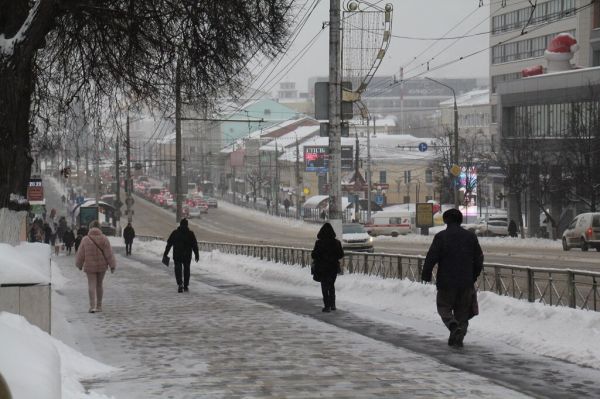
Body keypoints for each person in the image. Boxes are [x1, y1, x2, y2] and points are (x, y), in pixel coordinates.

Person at [422, 209, 484, 348]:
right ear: (461, 220)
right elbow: (479, 259)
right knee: (462, 312)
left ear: (445, 220)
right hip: (466, 282)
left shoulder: (441, 237)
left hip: (446, 282)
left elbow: (431, 257)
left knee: (444, 307)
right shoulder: (470, 237)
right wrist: (473, 275)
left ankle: (452, 324)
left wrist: (426, 273)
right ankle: (458, 338)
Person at [75, 220, 116, 313]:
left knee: (91, 285)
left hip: (89, 266)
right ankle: (99, 306)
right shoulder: (104, 238)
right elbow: (109, 253)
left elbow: (81, 253)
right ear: (99, 228)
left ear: (90, 227)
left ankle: (92, 306)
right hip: (102, 266)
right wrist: (112, 265)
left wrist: (79, 264)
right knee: (99, 284)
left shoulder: (85, 239)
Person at [311, 222, 344, 313]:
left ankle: (327, 306)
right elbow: (341, 255)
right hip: (333, 268)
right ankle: (333, 305)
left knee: (324, 286)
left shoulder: (319, 243)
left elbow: (314, 255)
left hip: (322, 268)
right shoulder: (337, 242)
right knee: (331, 285)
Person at [163, 218, 199, 293]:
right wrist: (196, 254)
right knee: (187, 270)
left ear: (180, 225)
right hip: (187, 255)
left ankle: (180, 284)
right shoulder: (190, 233)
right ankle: (185, 285)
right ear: (187, 225)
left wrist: (165, 253)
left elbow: (169, 244)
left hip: (177, 255)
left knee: (178, 269)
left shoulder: (175, 233)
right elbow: (194, 245)